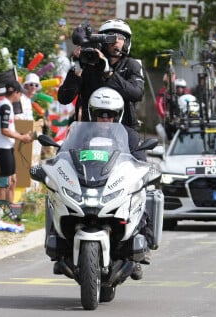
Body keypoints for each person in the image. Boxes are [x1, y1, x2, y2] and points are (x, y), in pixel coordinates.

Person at [86, 87, 151, 280]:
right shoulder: (83, 134)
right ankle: (57, 242)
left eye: (110, 115)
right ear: (92, 113)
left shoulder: (129, 135)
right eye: (101, 114)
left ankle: (142, 248)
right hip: (87, 184)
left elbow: (140, 161)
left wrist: (141, 172)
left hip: (117, 185)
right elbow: (64, 155)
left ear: (118, 115)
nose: (105, 119)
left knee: (141, 201)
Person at [58, 19, 144, 144]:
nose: (115, 41)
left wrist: (109, 73)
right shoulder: (88, 64)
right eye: (110, 37)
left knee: (140, 160)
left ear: (127, 42)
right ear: (101, 40)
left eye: (120, 37)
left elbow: (137, 94)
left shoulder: (132, 65)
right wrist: (76, 68)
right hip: (89, 134)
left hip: (125, 134)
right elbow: (64, 98)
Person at [0, 80, 34, 203]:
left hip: (6, 147)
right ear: (15, 92)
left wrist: (22, 135)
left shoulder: (6, 104)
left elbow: (9, 129)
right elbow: (4, 130)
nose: (20, 95)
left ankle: (10, 208)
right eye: (20, 93)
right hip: (2, 148)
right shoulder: (5, 106)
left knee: (13, 180)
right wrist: (22, 138)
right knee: (6, 181)